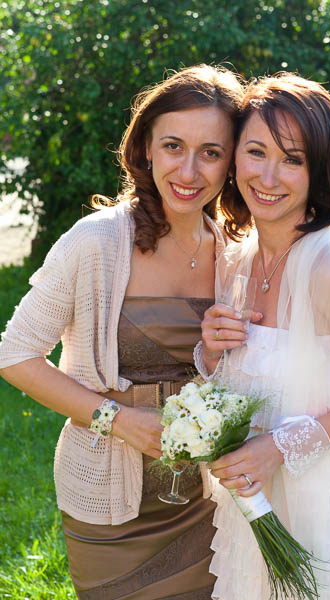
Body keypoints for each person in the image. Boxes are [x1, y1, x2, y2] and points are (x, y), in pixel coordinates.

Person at [0, 64, 245, 599]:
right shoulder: (96, 242)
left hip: (208, 503)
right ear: (147, 150)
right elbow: (15, 354)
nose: (188, 169)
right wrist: (118, 420)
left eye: (211, 152)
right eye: (173, 146)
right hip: (107, 503)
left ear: (231, 162)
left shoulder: (236, 255)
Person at [197, 73, 330, 599]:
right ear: (235, 156)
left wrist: (279, 449)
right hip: (252, 503)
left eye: (293, 159)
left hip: (319, 507)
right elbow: (244, 379)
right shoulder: (237, 258)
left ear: (320, 171)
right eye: (256, 152)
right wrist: (211, 350)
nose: (269, 175)